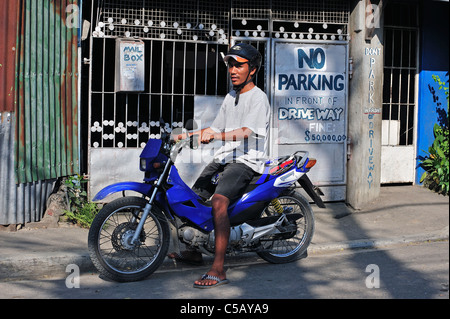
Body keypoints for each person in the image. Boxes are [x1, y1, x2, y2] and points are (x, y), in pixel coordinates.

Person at [171, 43, 271, 288]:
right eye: (230, 64)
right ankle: (193, 251)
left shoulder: (258, 98)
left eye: (239, 65)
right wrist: (186, 135)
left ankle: (218, 268)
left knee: (218, 202)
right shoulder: (231, 96)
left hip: (246, 161)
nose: (233, 70)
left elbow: (246, 133)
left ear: (253, 69)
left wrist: (215, 137)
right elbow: (215, 128)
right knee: (191, 199)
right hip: (226, 157)